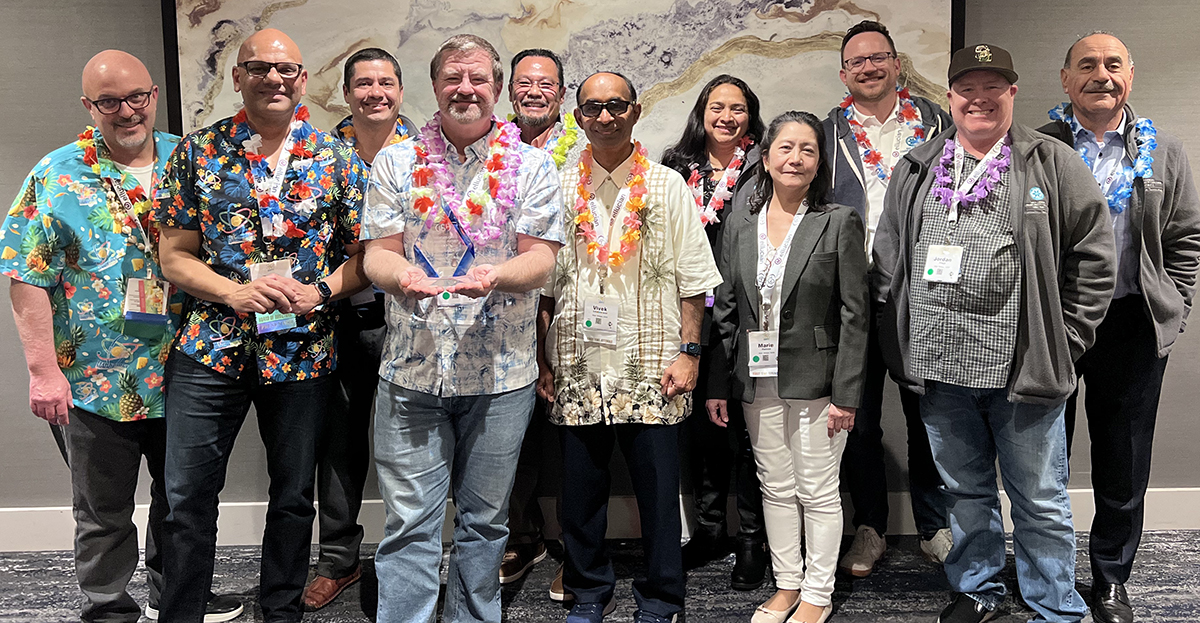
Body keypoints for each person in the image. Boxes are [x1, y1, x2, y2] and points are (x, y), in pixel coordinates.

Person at [872, 44, 1114, 623]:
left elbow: (1096, 257)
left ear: (1011, 92)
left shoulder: (1050, 161)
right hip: (939, 370)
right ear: (950, 96)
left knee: (1040, 498)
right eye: (966, 88)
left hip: (1023, 366)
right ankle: (979, 587)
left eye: (992, 87)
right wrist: (899, 339)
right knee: (966, 493)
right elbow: (887, 262)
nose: (979, 98)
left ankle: (1055, 603)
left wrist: (1068, 339)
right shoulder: (917, 166)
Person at [2, 49, 240, 623]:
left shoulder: (193, 159)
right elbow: (24, 274)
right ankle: (108, 606)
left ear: (154, 95)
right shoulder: (56, 174)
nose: (126, 111)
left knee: (180, 500)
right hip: (92, 378)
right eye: (108, 102)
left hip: (188, 366)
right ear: (89, 106)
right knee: (102, 507)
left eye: (137, 97)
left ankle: (178, 592)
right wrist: (41, 371)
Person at [154, 28, 369, 622]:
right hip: (210, 347)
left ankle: (281, 611)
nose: (273, 78)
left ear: (302, 79)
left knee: (295, 496)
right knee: (186, 498)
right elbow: (173, 256)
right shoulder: (197, 153)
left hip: (303, 351)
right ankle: (182, 611)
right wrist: (237, 293)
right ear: (237, 77)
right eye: (259, 68)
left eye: (286, 69)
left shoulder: (338, 158)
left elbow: (365, 258)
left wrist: (321, 289)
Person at [361, 34, 564, 623]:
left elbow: (543, 255)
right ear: (435, 86)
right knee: (409, 522)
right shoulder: (398, 161)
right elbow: (376, 252)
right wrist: (402, 277)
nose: (465, 89)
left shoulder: (531, 165)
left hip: (501, 373)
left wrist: (499, 274)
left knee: (485, 521)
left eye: (477, 78)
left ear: (497, 89)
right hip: (411, 369)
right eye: (453, 77)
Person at [539, 70, 722, 623]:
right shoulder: (554, 185)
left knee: (660, 494)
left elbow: (695, 281)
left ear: (636, 112)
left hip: (653, 361)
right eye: (592, 108)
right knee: (581, 493)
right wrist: (543, 359)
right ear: (578, 117)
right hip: (576, 360)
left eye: (616, 105)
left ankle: (663, 596)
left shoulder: (667, 187)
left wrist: (689, 355)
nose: (604, 116)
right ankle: (589, 589)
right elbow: (545, 283)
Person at [1038, 32, 1200, 623]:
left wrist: (1175, 305)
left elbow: (1184, 237)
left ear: (1130, 74)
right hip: (1054, 320)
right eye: (1086, 65)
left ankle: (1111, 578)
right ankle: (1047, 575)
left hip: (1133, 319)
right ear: (1065, 79)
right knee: (1042, 453)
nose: (1099, 75)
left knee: (1124, 456)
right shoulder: (1038, 147)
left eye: (1112, 64)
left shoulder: (1163, 152)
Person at [707, 111, 869, 623]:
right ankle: (787, 585)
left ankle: (818, 593)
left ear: (820, 161)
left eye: (808, 149)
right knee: (774, 487)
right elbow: (728, 308)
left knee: (818, 489)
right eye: (786, 148)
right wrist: (720, 383)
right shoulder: (741, 222)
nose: (796, 158)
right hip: (757, 378)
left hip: (821, 382)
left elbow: (855, 314)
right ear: (767, 155)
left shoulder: (838, 220)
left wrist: (847, 393)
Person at [821, 20, 953, 575]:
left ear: (897, 63)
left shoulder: (936, 122)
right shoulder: (827, 132)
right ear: (844, 73)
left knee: (931, 412)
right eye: (857, 62)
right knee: (860, 418)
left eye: (879, 58)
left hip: (923, 293)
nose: (869, 68)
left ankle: (935, 526)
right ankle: (870, 527)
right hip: (851, 297)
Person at [302, 46, 418, 613]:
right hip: (340, 317)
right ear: (346, 93)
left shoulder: (429, 153)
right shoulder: (321, 155)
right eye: (364, 83)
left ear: (401, 90)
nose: (376, 92)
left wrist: (375, 247)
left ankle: (412, 553)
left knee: (410, 444)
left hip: (415, 319)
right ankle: (339, 560)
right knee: (341, 444)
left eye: (386, 82)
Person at [660, 73, 769, 589]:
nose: (728, 117)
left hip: (748, 312)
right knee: (700, 430)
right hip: (691, 314)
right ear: (701, 111)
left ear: (751, 115)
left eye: (739, 109)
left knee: (747, 431)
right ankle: (708, 530)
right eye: (718, 106)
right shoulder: (673, 167)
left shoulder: (763, 164)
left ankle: (752, 539)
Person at [501, 47, 582, 596]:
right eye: (524, 82)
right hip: (504, 311)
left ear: (562, 92)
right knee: (513, 437)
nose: (534, 91)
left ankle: (578, 549)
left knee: (575, 436)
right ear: (510, 91)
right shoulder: (492, 148)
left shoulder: (585, 149)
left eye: (546, 83)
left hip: (573, 306)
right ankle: (522, 534)